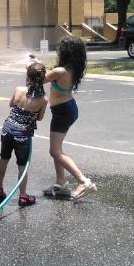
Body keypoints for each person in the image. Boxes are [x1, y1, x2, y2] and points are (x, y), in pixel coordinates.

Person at [42, 35, 96, 199]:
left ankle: (83, 181)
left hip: (63, 111)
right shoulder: (71, 69)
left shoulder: (59, 71)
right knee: (57, 149)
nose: (58, 50)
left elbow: (39, 79)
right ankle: (61, 183)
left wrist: (31, 66)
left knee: (55, 151)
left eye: (60, 48)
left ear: (65, 52)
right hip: (66, 109)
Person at [0, 61, 48, 207]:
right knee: (22, 166)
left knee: (4, 158)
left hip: (7, 129)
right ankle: (23, 195)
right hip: (22, 135)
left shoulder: (18, 89)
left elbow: (11, 104)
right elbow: (40, 118)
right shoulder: (43, 99)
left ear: (27, 77)